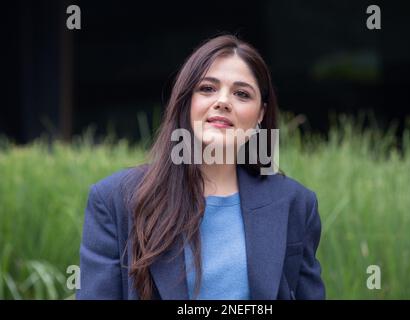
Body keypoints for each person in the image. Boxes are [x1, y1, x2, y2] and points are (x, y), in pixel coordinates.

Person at [76, 34, 325, 300]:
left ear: (260, 114)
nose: (223, 101)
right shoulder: (115, 199)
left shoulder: (296, 204)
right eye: (207, 88)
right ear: (186, 101)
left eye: (242, 94)